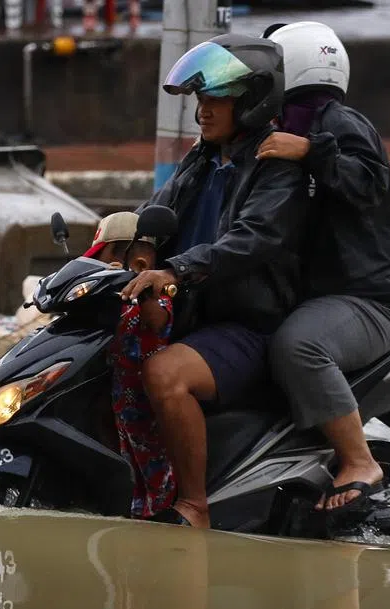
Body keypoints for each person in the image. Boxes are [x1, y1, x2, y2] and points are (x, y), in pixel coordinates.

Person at [120, 33, 309, 529]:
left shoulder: (275, 168)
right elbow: (159, 209)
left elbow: (251, 240)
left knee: (164, 374)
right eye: (200, 101)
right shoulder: (203, 157)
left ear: (250, 102)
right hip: (196, 310)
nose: (203, 112)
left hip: (248, 323)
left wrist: (176, 271)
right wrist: (137, 245)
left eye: (216, 100)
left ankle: (195, 505)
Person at [258, 22, 390, 515]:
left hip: (367, 301)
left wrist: (308, 152)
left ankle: (359, 460)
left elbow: (367, 183)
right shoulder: (283, 126)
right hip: (322, 296)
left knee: (297, 346)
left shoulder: (339, 125)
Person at [84, 211, 177, 518]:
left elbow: (159, 320)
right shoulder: (112, 296)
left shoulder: (157, 293)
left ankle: (162, 518)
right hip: (120, 396)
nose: (100, 267)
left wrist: (145, 293)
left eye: (106, 258)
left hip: (146, 398)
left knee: (152, 464)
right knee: (129, 463)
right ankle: (136, 515)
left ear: (138, 264)